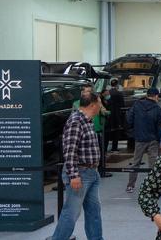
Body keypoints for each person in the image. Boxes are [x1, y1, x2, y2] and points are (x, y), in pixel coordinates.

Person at [51, 93, 104, 240]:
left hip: (91, 172)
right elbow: (69, 151)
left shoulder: (88, 121)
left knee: (94, 211)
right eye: (99, 103)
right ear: (93, 105)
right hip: (80, 174)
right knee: (71, 213)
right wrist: (73, 175)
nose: (101, 106)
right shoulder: (76, 121)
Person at [125, 87, 161, 193]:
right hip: (153, 140)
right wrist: (159, 140)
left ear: (147, 95)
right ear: (156, 96)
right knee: (153, 163)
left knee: (135, 162)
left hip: (139, 139)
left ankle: (130, 185)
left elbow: (129, 119)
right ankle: (153, 186)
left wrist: (133, 132)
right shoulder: (158, 109)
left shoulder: (137, 105)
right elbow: (160, 127)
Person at [108, 79, 125, 152]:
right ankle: (114, 148)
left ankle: (105, 148)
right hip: (117, 115)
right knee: (116, 132)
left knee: (108, 131)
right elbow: (122, 104)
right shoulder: (119, 93)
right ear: (117, 85)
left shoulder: (107, 93)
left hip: (109, 115)